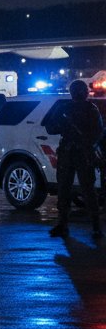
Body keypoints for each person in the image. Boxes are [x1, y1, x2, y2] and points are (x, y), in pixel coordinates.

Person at [44, 79, 104, 239]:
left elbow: (98, 131)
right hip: (69, 152)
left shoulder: (90, 109)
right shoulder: (68, 109)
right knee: (66, 189)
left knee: (86, 190)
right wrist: (64, 126)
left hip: (82, 152)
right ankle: (64, 224)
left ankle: (95, 226)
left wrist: (87, 142)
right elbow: (50, 128)